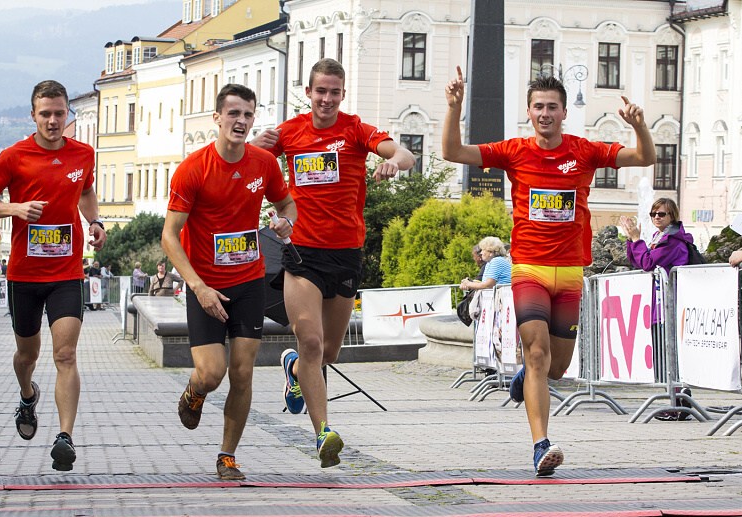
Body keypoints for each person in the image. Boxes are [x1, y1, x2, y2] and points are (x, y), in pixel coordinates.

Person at [442, 67, 655, 476]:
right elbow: (453, 152)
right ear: (528, 112)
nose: (545, 113)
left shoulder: (584, 151)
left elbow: (644, 158)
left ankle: (527, 375)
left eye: (552, 107)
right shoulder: (514, 151)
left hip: (570, 273)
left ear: (563, 113)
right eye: (538, 106)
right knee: (537, 353)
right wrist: (454, 107)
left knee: (555, 367)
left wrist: (639, 126)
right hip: (529, 270)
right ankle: (541, 445)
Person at [251, 58, 415, 468]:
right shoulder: (289, 132)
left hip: (345, 253)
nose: (327, 99)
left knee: (330, 351)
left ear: (343, 94)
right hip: (301, 251)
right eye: (320, 91)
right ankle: (323, 433)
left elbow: (405, 153)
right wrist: (256, 142)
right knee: (310, 341)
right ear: (308, 92)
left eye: (334, 92)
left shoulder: (355, 130)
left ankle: (293, 369)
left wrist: (393, 162)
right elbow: (244, 162)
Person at [161, 83, 296, 481]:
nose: (241, 121)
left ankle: (227, 456)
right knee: (212, 373)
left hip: (249, 281)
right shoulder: (193, 168)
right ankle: (195, 391)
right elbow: (169, 236)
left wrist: (285, 221)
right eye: (234, 113)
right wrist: (198, 286)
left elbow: (286, 203)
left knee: (242, 372)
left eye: (248, 115)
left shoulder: (263, 163)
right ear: (217, 118)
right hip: (205, 285)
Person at [0, 79, 106, 471]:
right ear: (33, 115)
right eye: (45, 114)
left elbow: (86, 191)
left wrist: (95, 221)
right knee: (27, 356)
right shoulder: (14, 156)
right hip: (24, 276)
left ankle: (65, 437)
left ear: (67, 115)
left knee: (66, 354)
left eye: (59, 113)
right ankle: (28, 395)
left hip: (66, 273)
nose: (52, 121)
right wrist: (14, 209)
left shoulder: (83, 154)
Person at [620, 198, 692, 381]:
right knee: (660, 354)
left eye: (661, 214)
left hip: (669, 306)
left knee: (668, 354)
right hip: (659, 306)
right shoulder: (659, 237)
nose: (656, 217)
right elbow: (639, 262)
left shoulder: (673, 241)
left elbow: (647, 262)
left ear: (672, 216)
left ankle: (678, 394)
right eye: (653, 214)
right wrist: (631, 240)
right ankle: (671, 393)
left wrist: (636, 239)